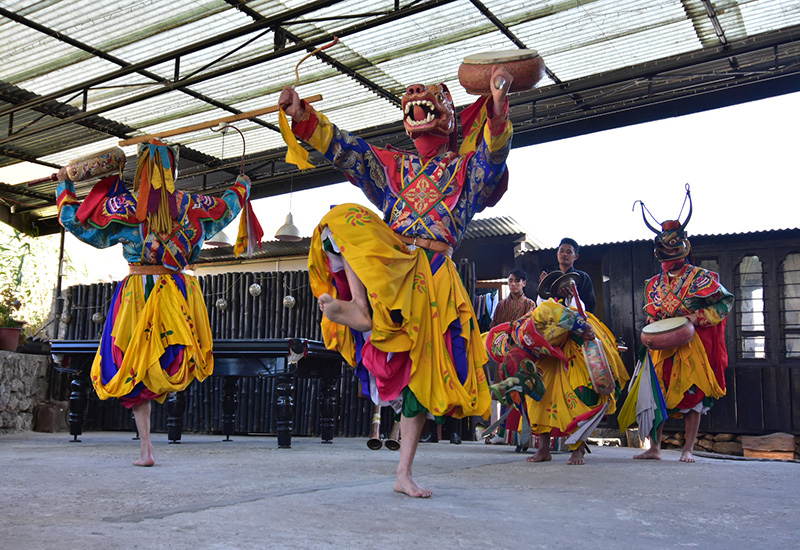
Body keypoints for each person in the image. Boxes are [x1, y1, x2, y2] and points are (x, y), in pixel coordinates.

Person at [278, 64, 513, 497]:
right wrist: (302, 115)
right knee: (337, 219)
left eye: (433, 100)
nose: (418, 103)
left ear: (450, 117)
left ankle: (403, 472)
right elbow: (346, 149)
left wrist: (498, 109)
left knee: (420, 378)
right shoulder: (392, 166)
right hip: (393, 264)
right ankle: (361, 308)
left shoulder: (465, 169)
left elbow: (494, 159)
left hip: (435, 276)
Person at [56, 141, 249, 466]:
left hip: (137, 296)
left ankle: (146, 448)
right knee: (173, 357)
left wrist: (65, 183)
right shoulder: (192, 204)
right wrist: (242, 185)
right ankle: (153, 441)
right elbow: (226, 206)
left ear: (141, 167)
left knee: (132, 365)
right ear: (174, 170)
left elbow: (75, 221)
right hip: (178, 295)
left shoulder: (125, 206)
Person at [620, 188, 733, 462]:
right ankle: (655, 448)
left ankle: (688, 448)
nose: (668, 257)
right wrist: (651, 323)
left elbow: (725, 303)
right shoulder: (653, 284)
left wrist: (698, 318)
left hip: (691, 344)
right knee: (655, 394)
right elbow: (652, 313)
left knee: (692, 394)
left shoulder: (701, 277)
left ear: (683, 248)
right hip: (661, 347)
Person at [487, 298, 629, 465]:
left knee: (579, 396)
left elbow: (551, 308)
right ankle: (543, 449)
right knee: (539, 401)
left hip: (574, 340)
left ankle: (578, 448)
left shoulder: (532, 322)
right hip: (549, 355)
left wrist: (584, 328)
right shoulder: (519, 352)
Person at [487, 268, 536, 446]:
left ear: (524, 283)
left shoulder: (530, 305)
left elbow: (531, 329)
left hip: (523, 354)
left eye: (517, 281)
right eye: (510, 281)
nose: (513, 284)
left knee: (522, 392)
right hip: (504, 354)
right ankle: (502, 433)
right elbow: (494, 328)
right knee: (503, 392)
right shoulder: (500, 305)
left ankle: (521, 432)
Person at [539, 237, 596, 313]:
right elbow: (543, 304)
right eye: (561, 251)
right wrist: (543, 284)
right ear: (557, 254)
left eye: (569, 252)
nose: (564, 254)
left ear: (575, 256)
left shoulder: (583, 277)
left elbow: (590, 305)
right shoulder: (550, 277)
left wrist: (573, 298)